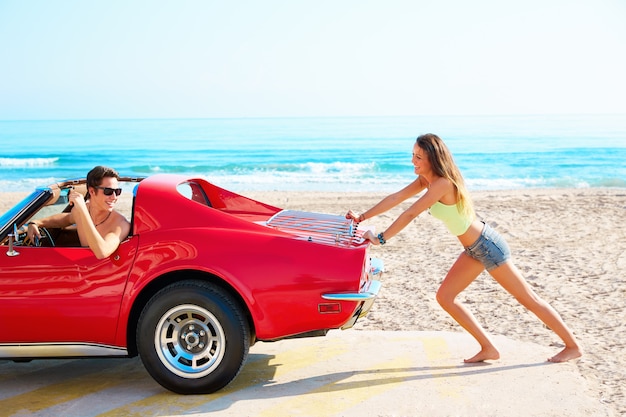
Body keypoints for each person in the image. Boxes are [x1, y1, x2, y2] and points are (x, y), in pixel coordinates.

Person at [346, 134, 582, 363]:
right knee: (445, 298)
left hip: (488, 246)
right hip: (473, 251)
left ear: (432, 159)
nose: (413, 161)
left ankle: (572, 346)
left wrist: (381, 238)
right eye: (413, 155)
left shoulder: (442, 183)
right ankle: (488, 348)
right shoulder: (426, 180)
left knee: (528, 298)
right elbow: (395, 198)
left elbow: (410, 213)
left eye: (418, 157)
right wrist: (362, 217)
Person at [27, 165, 130, 259]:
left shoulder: (120, 224)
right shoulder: (81, 211)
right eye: (108, 192)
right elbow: (65, 218)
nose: (114, 197)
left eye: (117, 191)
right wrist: (37, 223)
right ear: (92, 191)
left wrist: (82, 210)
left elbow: (101, 252)